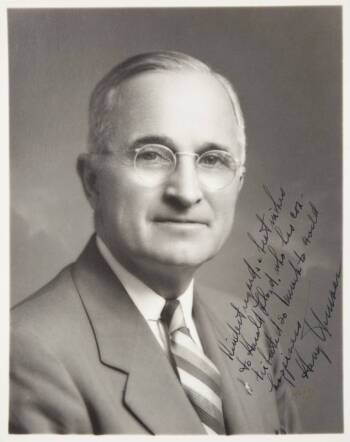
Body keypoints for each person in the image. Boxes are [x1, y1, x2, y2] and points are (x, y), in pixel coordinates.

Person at [10, 51, 300, 434]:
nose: (186, 191)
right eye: (151, 155)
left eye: (212, 160)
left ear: (239, 183)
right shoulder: (24, 352)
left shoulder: (250, 328)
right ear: (92, 181)